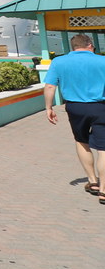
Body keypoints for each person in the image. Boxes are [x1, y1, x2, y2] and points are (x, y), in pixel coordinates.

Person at [43, 34, 105, 203]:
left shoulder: (59, 62)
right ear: (90, 45)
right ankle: (104, 190)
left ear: (73, 47)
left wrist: (48, 107)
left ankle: (92, 182)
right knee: (103, 148)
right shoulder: (102, 61)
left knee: (81, 141)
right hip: (101, 107)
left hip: (75, 107)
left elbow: (50, 86)